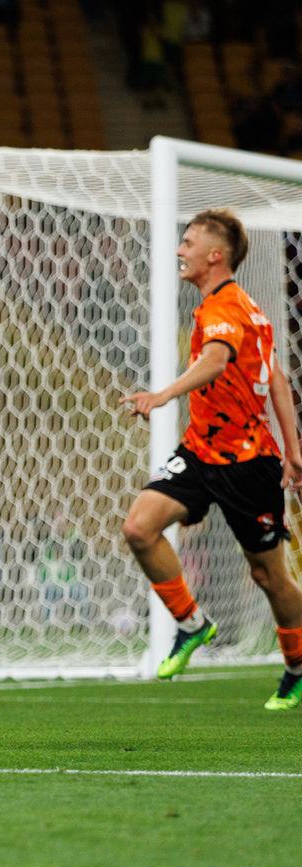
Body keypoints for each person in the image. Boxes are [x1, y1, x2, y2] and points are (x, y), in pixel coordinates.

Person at [119, 208, 302, 709]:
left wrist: (161, 396)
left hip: (247, 463)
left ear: (214, 255)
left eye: (188, 241)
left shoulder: (224, 308)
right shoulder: (248, 309)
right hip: (201, 451)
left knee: (269, 576)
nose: (180, 250)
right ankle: (192, 624)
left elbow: (217, 360)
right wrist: (297, 450)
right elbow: (278, 380)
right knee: (139, 528)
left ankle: (297, 665)